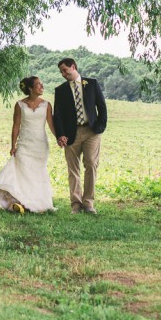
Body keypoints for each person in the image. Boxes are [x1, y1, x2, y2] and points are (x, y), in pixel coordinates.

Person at [0, 76, 56, 214]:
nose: (42, 86)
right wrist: (13, 145)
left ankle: (38, 203)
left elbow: (51, 125)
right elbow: (16, 126)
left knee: (37, 173)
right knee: (23, 173)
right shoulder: (19, 105)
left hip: (40, 145)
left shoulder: (47, 105)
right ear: (31, 88)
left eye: (42, 84)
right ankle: (22, 202)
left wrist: (59, 138)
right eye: (39, 84)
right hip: (24, 144)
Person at [53, 57, 107, 215]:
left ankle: (89, 203)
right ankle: (76, 205)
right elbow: (58, 115)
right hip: (70, 134)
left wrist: (99, 128)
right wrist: (60, 135)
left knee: (91, 164)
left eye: (65, 70)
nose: (63, 74)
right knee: (73, 169)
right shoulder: (60, 90)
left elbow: (102, 107)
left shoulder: (92, 84)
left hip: (91, 132)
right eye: (61, 72)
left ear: (73, 66)